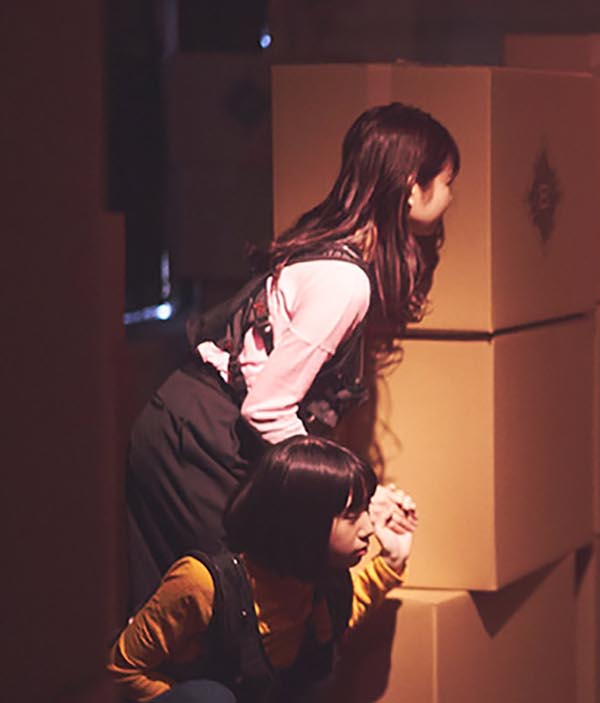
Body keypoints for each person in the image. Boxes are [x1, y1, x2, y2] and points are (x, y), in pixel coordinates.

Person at [125, 103, 459, 610]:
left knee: (218, 616)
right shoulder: (345, 282)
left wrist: (361, 497)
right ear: (412, 187)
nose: (452, 196)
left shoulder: (340, 258)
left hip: (199, 427)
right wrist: (353, 495)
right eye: (448, 182)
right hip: (197, 437)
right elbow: (266, 409)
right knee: (227, 615)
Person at [109, 435, 420, 702]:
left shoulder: (321, 582)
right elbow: (124, 668)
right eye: (351, 515)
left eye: (365, 509)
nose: (368, 528)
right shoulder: (202, 582)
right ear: (303, 521)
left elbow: (342, 615)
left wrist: (392, 560)